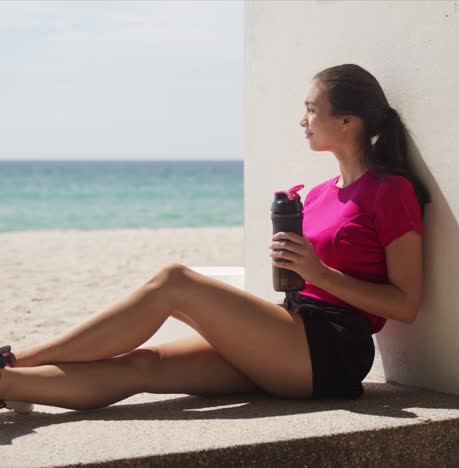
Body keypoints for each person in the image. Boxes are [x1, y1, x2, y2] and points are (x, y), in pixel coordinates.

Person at [0, 64, 431, 412]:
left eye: (311, 110)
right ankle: (7, 382)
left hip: (332, 348)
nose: (302, 120)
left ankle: (19, 359)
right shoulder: (318, 194)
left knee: (175, 281)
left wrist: (320, 272)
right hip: (291, 329)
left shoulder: (390, 191)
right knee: (143, 366)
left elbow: (405, 305)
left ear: (347, 120)